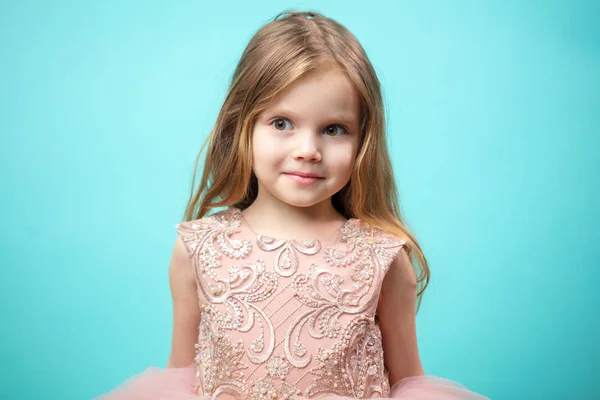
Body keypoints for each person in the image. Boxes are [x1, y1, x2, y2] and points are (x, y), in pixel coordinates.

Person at [95, 9, 491, 400]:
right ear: (242, 125)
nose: (308, 151)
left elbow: (409, 385)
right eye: (282, 123)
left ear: (362, 141)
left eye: (333, 129)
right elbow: (180, 379)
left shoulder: (382, 258)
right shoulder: (198, 250)